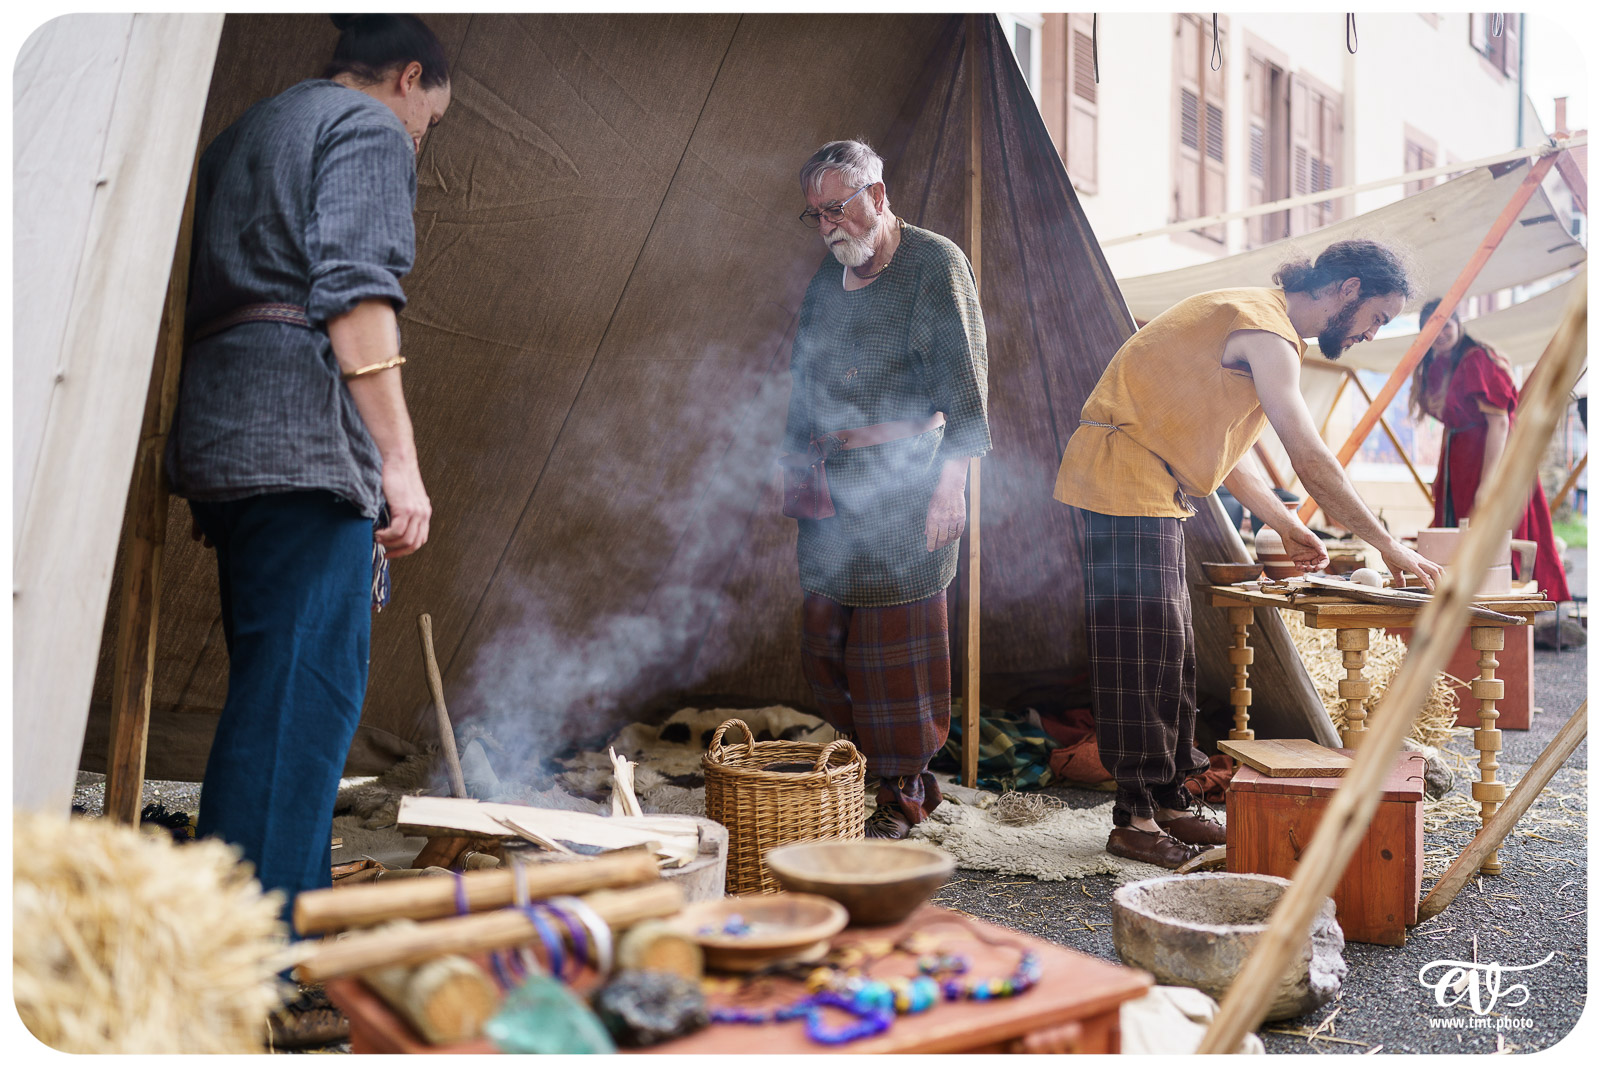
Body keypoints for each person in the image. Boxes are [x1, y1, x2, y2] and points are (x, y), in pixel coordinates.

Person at [166, 14, 449, 919]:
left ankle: (259, 917)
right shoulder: (364, 127)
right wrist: (399, 466)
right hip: (301, 446)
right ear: (408, 77)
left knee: (270, 692)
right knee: (300, 704)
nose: (417, 141)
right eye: (428, 122)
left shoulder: (244, 131)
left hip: (225, 437)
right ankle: (261, 941)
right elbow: (356, 290)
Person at [1053, 239, 1445, 869]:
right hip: (1121, 478)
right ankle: (1133, 818)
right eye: (1377, 316)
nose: (1374, 333)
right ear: (1347, 289)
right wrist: (1386, 543)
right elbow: (1309, 457)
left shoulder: (1261, 324)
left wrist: (1286, 524)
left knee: (1173, 651)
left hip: (1152, 484)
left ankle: (1171, 799)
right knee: (1139, 651)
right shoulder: (1265, 329)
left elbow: (1227, 458)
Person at [784, 140, 990, 840]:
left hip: (907, 480)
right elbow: (803, 373)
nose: (827, 226)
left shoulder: (935, 265)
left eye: (836, 208)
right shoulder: (826, 275)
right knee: (824, 637)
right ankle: (865, 763)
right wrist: (795, 465)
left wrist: (949, 487)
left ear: (877, 195)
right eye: (815, 215)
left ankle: (904, 788)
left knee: (896, 645)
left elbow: (965, 388)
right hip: (831, 484)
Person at [1411, 299, 1571, 603]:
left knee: (1493, 532)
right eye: (1432, 327)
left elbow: (1498, 423)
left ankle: (1508, 611)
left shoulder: (1476, 360)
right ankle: (1460, 607)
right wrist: (1442, 475)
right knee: (1461, 531)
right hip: (1460, 459)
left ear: (1458, 323)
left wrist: (1488, 484)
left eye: (1446, 324)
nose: (1441, 333)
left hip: (1492, 456)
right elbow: (1451, 424)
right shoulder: (1436, 363)